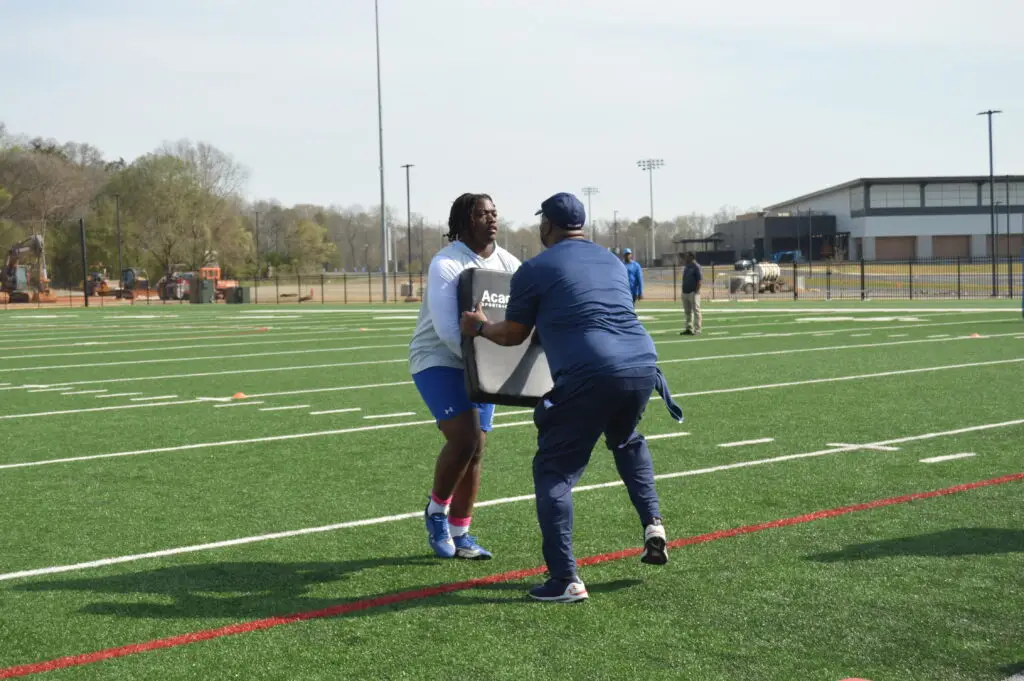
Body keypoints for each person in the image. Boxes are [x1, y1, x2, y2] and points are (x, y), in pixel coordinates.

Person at [459, 192, 683, 603]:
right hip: (642, 363)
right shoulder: (612, 261)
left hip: (592, 369)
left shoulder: (535, 268)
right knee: (626, 441)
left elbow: (513, 334)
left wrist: (479, 327)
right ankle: (653, 522)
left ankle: (565, 578)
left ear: (547, 224)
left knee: (554, 470)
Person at [409, 192, 521, 560]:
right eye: (482, 213)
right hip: (438, 358)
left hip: (486, 360)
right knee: (465, 438)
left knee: (477, 448)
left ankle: (462, 533)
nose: (492, 218)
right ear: (464, 220)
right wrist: (492, 361)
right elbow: (446, 331)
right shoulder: (446, 263)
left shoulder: (510, 264)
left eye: (494, 212)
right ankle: (436, 512)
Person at [680, 251, 703, 336]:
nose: (685, 258)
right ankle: (688, 328)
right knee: (687, 312)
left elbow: (699, 280)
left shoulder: (696, 266)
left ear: (691, 257)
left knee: (696, 311)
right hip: (685, 292)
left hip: (693, 293)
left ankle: (697, 329)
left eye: (687, 256)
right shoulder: (687, 266)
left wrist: (696, 291)